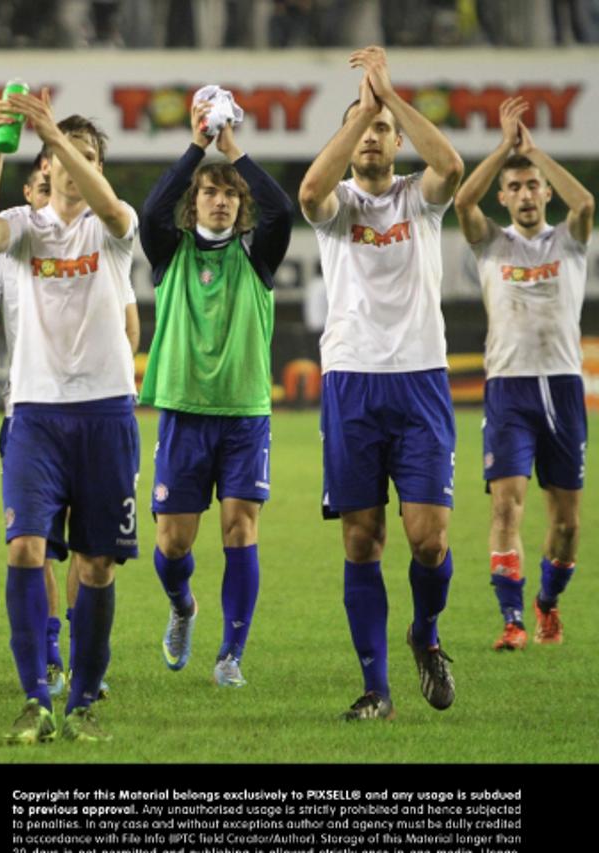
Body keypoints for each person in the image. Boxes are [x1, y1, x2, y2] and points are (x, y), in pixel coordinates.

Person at [298, 46, 464, 721]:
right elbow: (309, 191)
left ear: (397, 139)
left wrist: (392, 99)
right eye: (361, 126)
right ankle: (377, 689)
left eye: (381, 128)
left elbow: (451, 166)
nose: (371, 134)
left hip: (420, 380)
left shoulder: (418, 201)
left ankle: (423, 633)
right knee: (362, 537)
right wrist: (363, 108)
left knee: (429, 538)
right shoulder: (335, 208)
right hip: (352, 383)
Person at [0, 91, 140, 744]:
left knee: (96, 566)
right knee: (23, 546)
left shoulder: (112, 229)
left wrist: (56, 135)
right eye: (65, 153)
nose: (76, 163)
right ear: (44, 164)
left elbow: (114, 206)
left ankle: (84, 701)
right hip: (37, 414)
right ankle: (37, 696)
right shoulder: (26, 227)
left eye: (90, 153)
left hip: (105, 412)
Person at [139, 98, 294, 688]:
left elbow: (280, 208)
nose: (222, 198)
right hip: (183, 411)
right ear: (195, 201)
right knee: (173, 543)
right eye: (210, 191)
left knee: (239, 528)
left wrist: (231, 149)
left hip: (244, 414)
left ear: (240, 203)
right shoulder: (169, 251)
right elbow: (153, 208)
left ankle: (231, 654)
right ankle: (182, 606)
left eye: (231, 192)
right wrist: (195, 147)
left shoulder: (258, 255)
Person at [453, 96, 592, 651]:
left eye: (534, 186)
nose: (527, 194)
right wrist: (503, 152)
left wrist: (534, 151)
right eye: (516, 188)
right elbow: (463, 198)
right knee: (506, 502)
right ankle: (511, 620)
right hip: (508, 388)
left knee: (566, 525)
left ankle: (547, 604)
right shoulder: (492, 243)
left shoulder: (569, 240)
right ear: (505, 197)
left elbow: (586, 203)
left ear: (545, 193)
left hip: (561, 385)